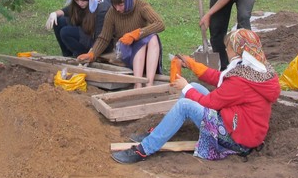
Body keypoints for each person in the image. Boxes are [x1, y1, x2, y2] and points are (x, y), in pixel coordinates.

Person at [112, 30, 280, 164]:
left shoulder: (241, 80)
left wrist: (185, 86)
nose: (226, 51)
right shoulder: (257, 69)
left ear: (238, 51)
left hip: (236, 139)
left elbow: (211, 102)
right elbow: (221, 79)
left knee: (185, 104)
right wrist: (193, 65)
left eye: (228, 48)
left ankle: (144, 149)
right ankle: (158, 132)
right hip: (242, 128)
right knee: (195, 88)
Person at [78, 0, 164, 87]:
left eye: (121, 5)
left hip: (141, 43)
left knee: (153, 38)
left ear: (127, 0)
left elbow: (160, 24)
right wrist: (92, 54)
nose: (118, 8)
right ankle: (138, 84)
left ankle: (149, 83)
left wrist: (136, 34)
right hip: (125, 48)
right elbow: (104, 38)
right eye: (115, 5)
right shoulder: (112, 12)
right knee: (141, 45)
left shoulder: (141, 6)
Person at [45, 0, 110, 58]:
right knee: (59, 21)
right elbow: (66, 10)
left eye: (82, 1)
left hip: (94, 38)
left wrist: (92, 53)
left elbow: (100, 35)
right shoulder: (81, 4)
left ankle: (80, 54)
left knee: (65, 32)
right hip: (85, 30)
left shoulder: (101, 9)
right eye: (77, 0)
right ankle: (67, 55)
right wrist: (54, 13)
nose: (80, 3)